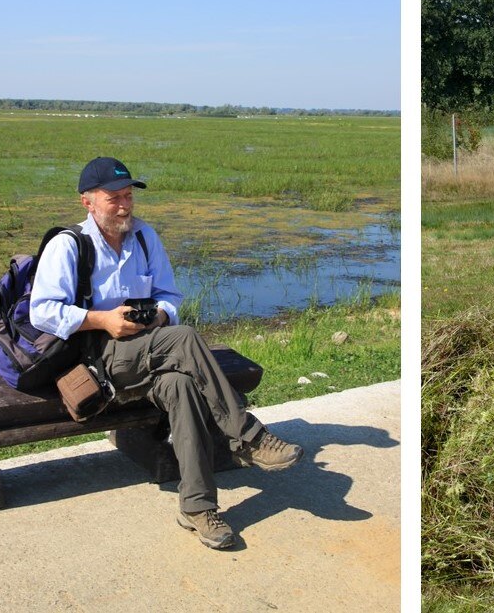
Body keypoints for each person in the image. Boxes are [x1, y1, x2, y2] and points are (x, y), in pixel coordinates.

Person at [30, 156, 303, 549]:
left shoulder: (144, 237)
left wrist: (158, 315)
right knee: (187, 338)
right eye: (114, 199)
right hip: (100, 359)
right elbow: (42, 311)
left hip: (152, 351)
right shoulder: (69, 245)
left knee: (180, 387)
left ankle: (196, 507)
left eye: (128, 196)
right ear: (87, 202)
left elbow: (170, 297)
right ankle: (246, 437)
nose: (125, 206)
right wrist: (103, 320)